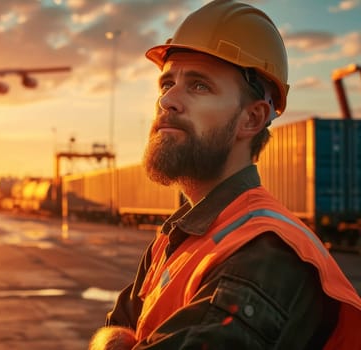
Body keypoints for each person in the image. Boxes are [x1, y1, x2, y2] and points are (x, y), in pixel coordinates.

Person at [88, 1, 361, 349]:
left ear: (251, 119)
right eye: (166, 83)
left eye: (199, 85)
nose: (168, 99)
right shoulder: (176, 237)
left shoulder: (263, 254)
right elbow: (115, 327)